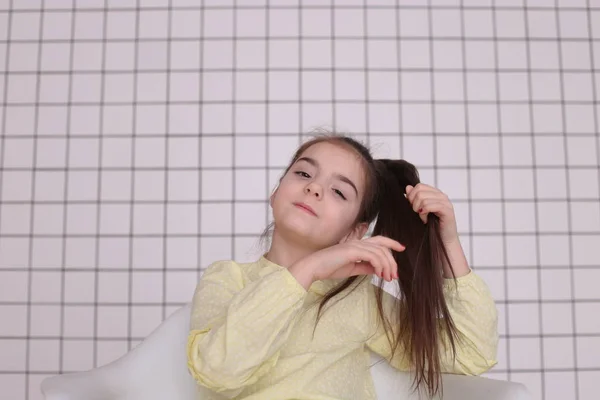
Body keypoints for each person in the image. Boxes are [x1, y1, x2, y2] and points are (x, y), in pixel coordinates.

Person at [186, 133, 498, 399]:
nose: (314, 188)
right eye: (304, 174)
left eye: (339, 191)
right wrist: (308, 270)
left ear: (354, 232)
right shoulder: (226, 278)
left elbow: (474, 353)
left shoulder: (358, 300)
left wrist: (449, 245)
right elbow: (217, 371)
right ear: (275, 191)